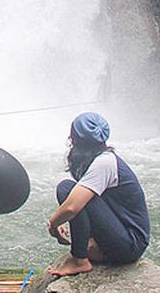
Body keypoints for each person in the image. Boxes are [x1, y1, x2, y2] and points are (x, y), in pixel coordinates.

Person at [46, 112, 149, 276]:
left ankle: (79, 260)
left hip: (130, 244)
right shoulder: (98, 160)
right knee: (73, 191)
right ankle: (91, 248)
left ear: (76, 139)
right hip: (123, 236)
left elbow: (72, 207)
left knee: (66, 189)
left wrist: (53, 224)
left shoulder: (105, 163)